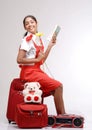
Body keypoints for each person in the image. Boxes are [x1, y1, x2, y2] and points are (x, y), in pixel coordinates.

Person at [17, 15, 65, 115]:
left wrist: (50, 46)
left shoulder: (38, 39)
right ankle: (62, 116)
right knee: (58, 86)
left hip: (37, 70)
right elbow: (19, 59)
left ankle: (62, 116)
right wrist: (37, 59)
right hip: (29, 72)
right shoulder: (27, 40)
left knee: (56, 89)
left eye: (32, 22)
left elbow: (41, 61)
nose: (30, 24)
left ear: (36, 22)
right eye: (27, 23)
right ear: (25, 27)